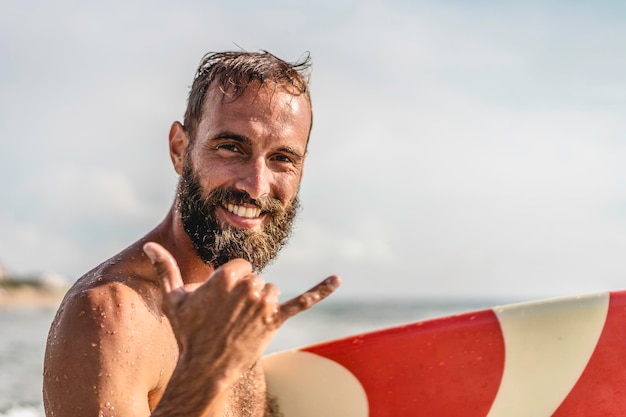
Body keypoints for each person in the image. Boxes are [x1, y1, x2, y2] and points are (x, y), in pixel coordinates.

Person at [43, 50, 341, 417]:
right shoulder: (112, 315)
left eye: (282, 158)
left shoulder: (235, 305)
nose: (257, 186)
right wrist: (204, 374)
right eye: (231, 148)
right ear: (180, 150)